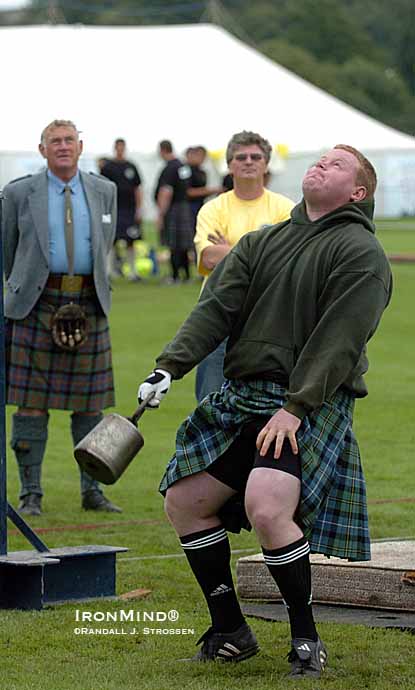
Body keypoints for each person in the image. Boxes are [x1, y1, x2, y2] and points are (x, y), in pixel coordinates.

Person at [138, 145, 392, 677]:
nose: (322, 164)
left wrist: (296, 408)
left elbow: (339, 339)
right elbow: (215, 308)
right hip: (244, 395)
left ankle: (306, 640)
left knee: (268, 505)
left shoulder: (360, 253)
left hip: (309, 400)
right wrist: (169, 367)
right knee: (186, 500)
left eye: (338, 164)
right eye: (320, 159)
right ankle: (230, 630)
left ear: (358, 192)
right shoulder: (262, 242)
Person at [2, 119, 121, 516]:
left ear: (81, 146)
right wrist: (23, 287)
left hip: (88, 303)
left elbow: (107, 242)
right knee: (30, 405)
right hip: (36, 304)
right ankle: (30, 494)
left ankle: (93, 492)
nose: (63, 146)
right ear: (42, 150)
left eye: (69, 140)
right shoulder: (18, 193)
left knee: (90, 408)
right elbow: (7, 251)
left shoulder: (106, 190)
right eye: (55, 141)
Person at [194, 130, 295, 402]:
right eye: (241, 157)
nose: (248, 161)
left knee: (264, 409)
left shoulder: (287, 209)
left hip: (269, 320)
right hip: (218, 317)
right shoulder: (213, 209)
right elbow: (208, 258)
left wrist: (232, 249)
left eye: (255, 156)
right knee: (209, 405)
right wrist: (263, 253)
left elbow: (287, 263)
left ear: (266, 163)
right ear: (229, 165)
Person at [101, 139, 143, 281]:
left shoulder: (131, 166)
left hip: (129, 209)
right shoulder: (108, 167)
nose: (120, 150)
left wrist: (139, 208)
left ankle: (132, 272)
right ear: (114, 148)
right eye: (118, 147)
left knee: (131, 241)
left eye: (122, 147)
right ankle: (109, 271)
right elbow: (102, 190)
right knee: (111, 240)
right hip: (113, 209)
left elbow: (138, 188)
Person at [153, 140, 193, 283]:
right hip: (184, 206)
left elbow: (166, 191)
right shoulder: (182, 166)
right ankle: (187, 276)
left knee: (174, 243)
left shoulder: (169, 167)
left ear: (162, 150)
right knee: (183, 244)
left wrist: (160, 213)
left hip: (173, 208)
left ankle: (175, 275)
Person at [185, 146, 222, 229]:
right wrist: (211, 191)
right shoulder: (186, 170)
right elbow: (188, 191)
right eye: (200, 155)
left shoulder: (202, 172)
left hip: (200, 205)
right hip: (189, 206)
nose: (202, 158)